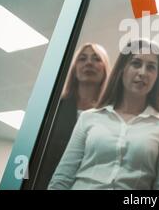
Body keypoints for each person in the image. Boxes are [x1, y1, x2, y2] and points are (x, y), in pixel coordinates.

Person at [49, 39, 159, 189]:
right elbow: (63, 177)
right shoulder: (89, 117)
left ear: (157, 77)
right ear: (122, 68)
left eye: (151, 67)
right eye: (136, 63)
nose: (142, 73)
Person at [36, 43, 110, 189]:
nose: (89, 62)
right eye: (82, 59)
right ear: (74, 68)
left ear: (105, 69)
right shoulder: (54, 107)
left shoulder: (111, 114)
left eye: (96, 59)